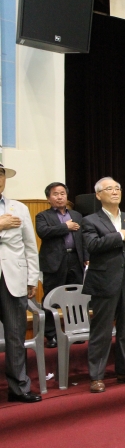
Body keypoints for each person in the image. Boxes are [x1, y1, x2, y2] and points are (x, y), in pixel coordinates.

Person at [82, 177, 125, 393]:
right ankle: (96, 376)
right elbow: (92, 245)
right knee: (101, 330)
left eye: (117, 188)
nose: (115, 192)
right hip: (103, 281)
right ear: (98, 195)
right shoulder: (90, 220)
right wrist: (118, 236)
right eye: (109, 189)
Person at [0, 163, 41, 403]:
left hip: (14, 279)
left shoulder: (19, 207)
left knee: (16, 335)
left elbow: (30, 246)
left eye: (1, 174)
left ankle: (19, 388)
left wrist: (31, 278)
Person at [35, 182, 87, 349]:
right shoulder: (43, 216)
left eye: (62, 193)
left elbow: (83, 237)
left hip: (75, 259)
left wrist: (86, 257)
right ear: (48, 198)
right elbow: (43, 232)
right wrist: (65, 227)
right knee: (51, 298)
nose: (59, 197)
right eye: (55, 194)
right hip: (54, 262)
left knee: (76, 296)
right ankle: (51, 334)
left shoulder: (77, 215)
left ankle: (77, 330)